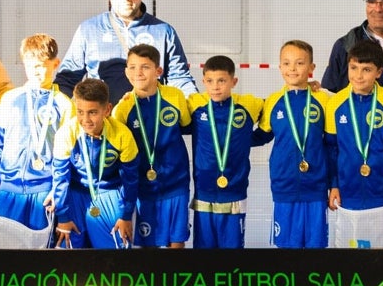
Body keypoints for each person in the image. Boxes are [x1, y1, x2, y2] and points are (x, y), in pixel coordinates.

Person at [55, 0, 198, 103]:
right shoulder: (89, 29)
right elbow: (67, 78)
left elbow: (179, 78)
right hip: (105, 122)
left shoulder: (163, 31)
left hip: (150, 121)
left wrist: (198, 108)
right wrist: (49, 110)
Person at [0, 34, 72, 240]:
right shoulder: (9, 99)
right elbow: (0, 143)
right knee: (3, 250)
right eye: (31, 65)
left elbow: (68, 156)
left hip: (43, 191)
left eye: (43, 65)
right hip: (8, 189)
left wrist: (56, 189)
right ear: (24, 63)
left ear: (55, 64)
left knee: (38, 253)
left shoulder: (64, 104)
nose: (37, 71)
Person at [112, 44, 193, 248]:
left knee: (177, 241)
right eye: (132, 67)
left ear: (158, 71)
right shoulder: (123, 109)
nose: (138, 72)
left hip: (176, 182)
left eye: (145, 67)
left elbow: (186, 124)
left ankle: (175, 279)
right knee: (147, 243)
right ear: (126, 71)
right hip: (144, 187)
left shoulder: (174, 97)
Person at [50, 78, 139, 249]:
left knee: (117, 250)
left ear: (107, 110)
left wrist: (126, 215)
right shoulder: (66, 133)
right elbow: (60, 179)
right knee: (66, 248)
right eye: (80, 112)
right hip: (76, 193)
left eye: (92, 112)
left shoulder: (122, 135)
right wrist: (63, 217)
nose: (85, 119)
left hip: (108, 193)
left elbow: (131, 180)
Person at [259, 40, 332, 248]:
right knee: (286, 248)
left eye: (300, 63)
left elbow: (333, 141)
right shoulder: (273, 101)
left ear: (311, 68)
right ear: (280, 66)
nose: (292, 69)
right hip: (284, 184)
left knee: (315, 246)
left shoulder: (324, 99)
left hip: (316, 185)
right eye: (287, 63)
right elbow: (262, 135)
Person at [187, 56, 265, 249]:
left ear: (233, 81)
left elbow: (272, 120)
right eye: (210, 81)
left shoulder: (249, 105)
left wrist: (244, 142)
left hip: (235, 193)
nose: (215, 87)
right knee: (203, 252)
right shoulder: (194, 104)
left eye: (221, 81)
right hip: (203, 192)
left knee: (233, 253)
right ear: (203, 81)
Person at [325, 40, 383, 226]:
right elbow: (331, 150)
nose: (358, 76)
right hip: (347, 191)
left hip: (382, 191)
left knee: (381, 249)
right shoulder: (335, 103)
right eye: (354, 68)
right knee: (351, 248)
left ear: (379, 72)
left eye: (366, 69)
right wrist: (334, 185)